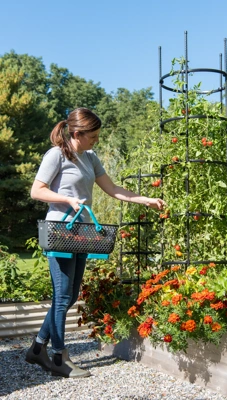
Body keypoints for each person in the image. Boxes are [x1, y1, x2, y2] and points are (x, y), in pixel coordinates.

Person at [25, 107, 165, 378]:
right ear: (77, 133)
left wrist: (144, 199)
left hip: (82, 233)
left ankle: (37, 347)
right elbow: (36, 190)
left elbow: (112, 189)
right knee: (63, 295)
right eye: (93, 136)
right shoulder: (57, 155)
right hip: (60, 232)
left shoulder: (89, 157)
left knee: (71, 294)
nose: (96, 140)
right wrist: (67, 199)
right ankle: (58, 358)